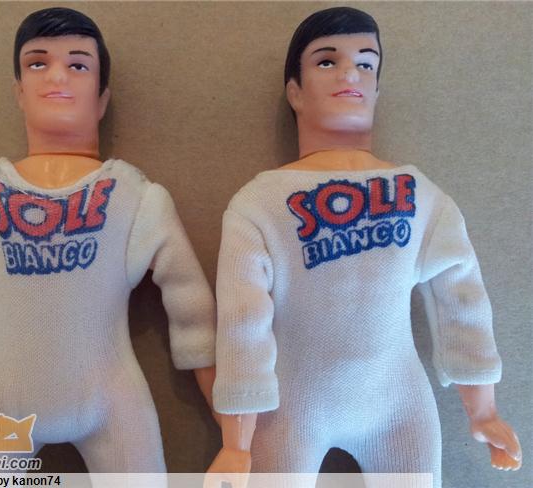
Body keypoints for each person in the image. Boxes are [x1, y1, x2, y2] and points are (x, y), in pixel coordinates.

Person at [0, 7, 216, 472]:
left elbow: (193, 313)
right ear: (19, 91)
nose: (56, 76)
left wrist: (236, 432)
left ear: (101, 98)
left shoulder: (136, 198)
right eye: (37, 63)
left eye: (78, 65)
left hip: (112, 398)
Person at [206, 7, 521, 487]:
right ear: (295, 91)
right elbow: (243, 322)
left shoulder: (419, 194)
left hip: (399, 405)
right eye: (326, 61)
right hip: (291, 407)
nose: (350, 73)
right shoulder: (260, 202)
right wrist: (236, 442)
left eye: (366, 63)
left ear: (376, 89)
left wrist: (484, 409)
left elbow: (462, 296)